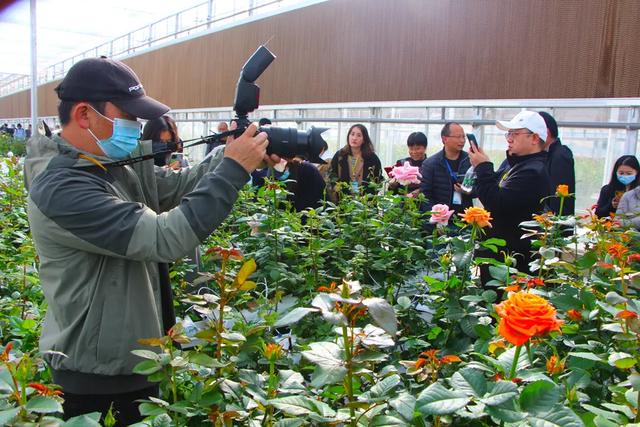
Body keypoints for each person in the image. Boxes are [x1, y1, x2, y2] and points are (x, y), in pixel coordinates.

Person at [24, 57, 274, 426]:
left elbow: (176, 187)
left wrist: (230, 153)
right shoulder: (63, 187)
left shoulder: (108, 163)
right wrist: (234, 171)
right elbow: (164, 238)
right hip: (97, 374)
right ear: (84, 114)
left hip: (137, 357)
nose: (135, 126)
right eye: (127, 115)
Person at [468, 110, 552, 276]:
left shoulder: (532, 172)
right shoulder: (515, 165)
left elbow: (497, 203)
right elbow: (490, 192)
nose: (509, 138)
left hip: (511, 260)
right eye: (509, 134)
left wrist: (483, 168)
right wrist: (484, 167)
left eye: (515, 133)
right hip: (499, 255)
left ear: (535, 138)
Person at [419, 123, 473, 221]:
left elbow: (481, 188)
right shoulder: (431, 164)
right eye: (458, 137)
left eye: (463, 137)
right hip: (440, 221)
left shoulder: (470, 161)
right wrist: (435, 220)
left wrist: (468, 191)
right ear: (445, 139)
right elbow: (425, 196)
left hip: (464, 220)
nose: (462, 140)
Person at [538, 111, 575, 216]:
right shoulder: (546, 154)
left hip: (554, 223)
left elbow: (558, 198)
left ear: (547, 132)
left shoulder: (560, 155)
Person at [329, 124, 382, 197]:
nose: (354, 138)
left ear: (364, 140)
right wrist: (336, 187)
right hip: (344, 199)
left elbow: (378, 179)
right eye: (352, 134)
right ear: (348, 136)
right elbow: (332, 174)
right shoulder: (340, 155)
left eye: (359, 135)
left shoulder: (372, 158)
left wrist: (371, 194)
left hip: (365, 201)